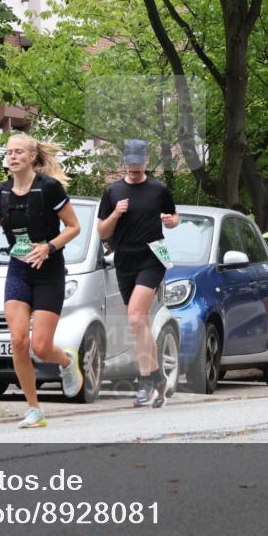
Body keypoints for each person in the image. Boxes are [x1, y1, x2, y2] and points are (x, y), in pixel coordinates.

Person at [0, 133, 83, 428]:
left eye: (18, 152)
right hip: (19, 268)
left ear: (31, 157)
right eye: (9, 152)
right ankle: (34, 409)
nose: (12, 157)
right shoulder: (1, 193)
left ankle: (65, 361)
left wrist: (49, 246)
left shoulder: (48, 189)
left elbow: (74, 227)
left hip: (48, 271)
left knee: (40, 346)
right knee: (17, 340)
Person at [98, 140, 179, 407]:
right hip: (124, 259)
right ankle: (156, 379)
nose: (134, 168)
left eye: (138, 163)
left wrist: (171, 221)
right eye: (129, 163)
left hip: (151, 257)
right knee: (139, 323)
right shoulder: (113, 191)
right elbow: (102, 232)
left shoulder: (158, 190)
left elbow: (174, 217)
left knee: (135, 317)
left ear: (146, 160)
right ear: (124, 160)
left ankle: (147, 381)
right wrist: (116, 215)